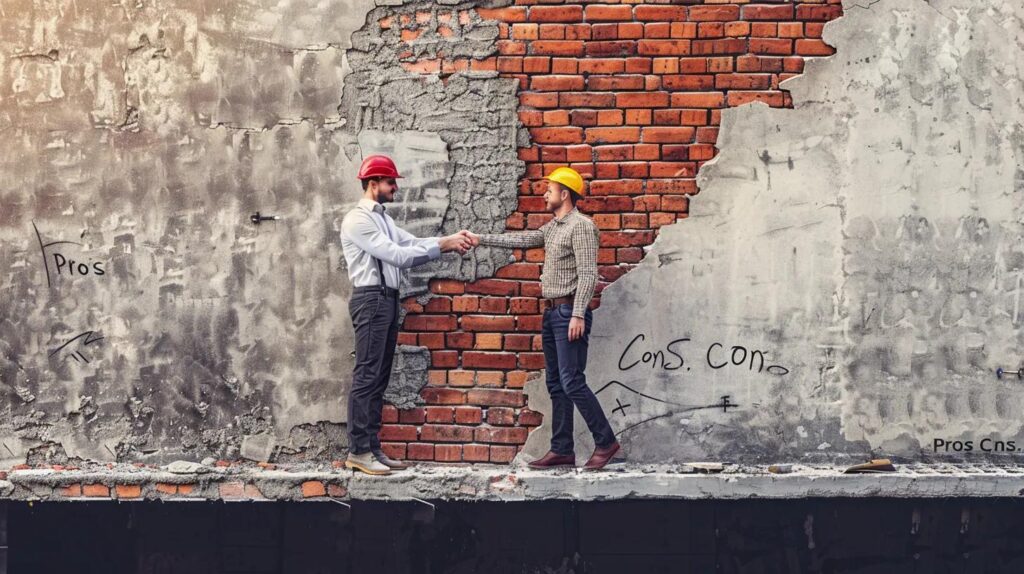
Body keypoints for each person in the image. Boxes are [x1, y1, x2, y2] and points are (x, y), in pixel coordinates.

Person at [466, 167, 621, 470]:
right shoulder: (553, 228)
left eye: (549, 189)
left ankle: (606, 442)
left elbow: (589, 274)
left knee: (572, 381)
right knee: (556, 383)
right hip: (551, 314)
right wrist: (479, 238)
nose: (544, 193)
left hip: (568, 313)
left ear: (565, 194)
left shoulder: (582, 226)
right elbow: (523, 240)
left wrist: (578, 313)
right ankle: (562, 449)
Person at [340, 154, 473, 475]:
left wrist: (449, 240)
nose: (395, 187)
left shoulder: (382, 219)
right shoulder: (357, 219)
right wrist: (444, 245)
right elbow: (397, 255)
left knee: (380, 376)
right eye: (390, 182)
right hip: (370, 299)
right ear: (373, 184)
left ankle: (371, 448)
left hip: (386, 299)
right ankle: (358, 450)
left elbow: (410, 241)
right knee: (367, 375)